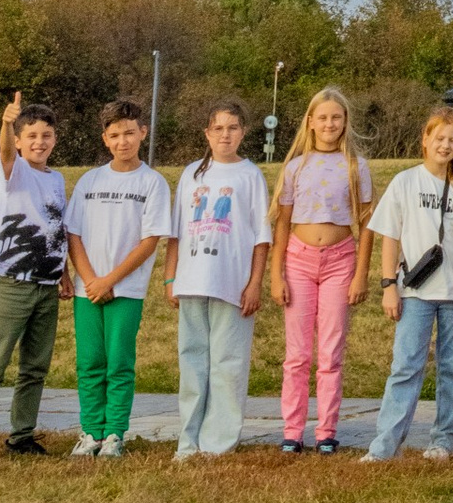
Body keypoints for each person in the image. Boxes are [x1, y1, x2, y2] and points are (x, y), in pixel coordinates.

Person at [366, 111, 453, 461]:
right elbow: (389, 236)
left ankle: (445, 440)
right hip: (416, 291)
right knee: (406, 366)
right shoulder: (405, 182)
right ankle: (386, 444)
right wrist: (389, 285)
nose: (446, 145)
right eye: (440, 138)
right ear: (425, 139)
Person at [64, 100, 175, 462]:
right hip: (88, 289)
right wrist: (91, 280)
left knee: (119, 362)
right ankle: (90, 432)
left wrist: (111, 278)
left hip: (125, 289)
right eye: (115, 135)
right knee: (90, 362)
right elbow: (74, 235)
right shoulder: (89, 181)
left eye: (129, 133)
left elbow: (150, 240)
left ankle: (113, 433)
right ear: (105, 139)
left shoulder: (152, 183)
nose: (123, 141)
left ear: (143, 133)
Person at [0, 90, 71, 464]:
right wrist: (7, 123)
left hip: (46, 286)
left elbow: (56, 229)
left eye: (46, 136)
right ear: (21, 140)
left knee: (34, 368)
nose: (39, 143)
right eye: (31, 136)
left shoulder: (57, 180)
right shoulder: (14, 170)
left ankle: (21, 435)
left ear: (55, 138)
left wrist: (64, 274)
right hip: (11, 283)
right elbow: (5, 152)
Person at [269, 88, 371, 458]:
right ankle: (292, 430)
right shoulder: (295, 166)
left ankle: (326, 430)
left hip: (340, 260)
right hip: (298, 259)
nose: (330, 124)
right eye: (323, 117)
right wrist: (276, 274)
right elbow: (281, 223)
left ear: (345, 123)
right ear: (310, 122)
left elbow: (366, 224)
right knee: (297, 354)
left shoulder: (355, 166)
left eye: (336, 118)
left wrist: (361, 273)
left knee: (330, 352)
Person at [172, 100, 271, 459]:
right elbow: (175, 233)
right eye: (218, 128)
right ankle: (188, 441)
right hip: (192, 281)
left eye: (232, 128)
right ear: (207, 134)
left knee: (227, 364)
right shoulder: (192, 175)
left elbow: (261, 237)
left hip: (231, 283)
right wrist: (171, 279)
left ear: (243, 132)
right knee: (193, 362)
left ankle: (218, 442)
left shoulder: (250, 176)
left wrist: (255, 283)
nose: (225, 134)